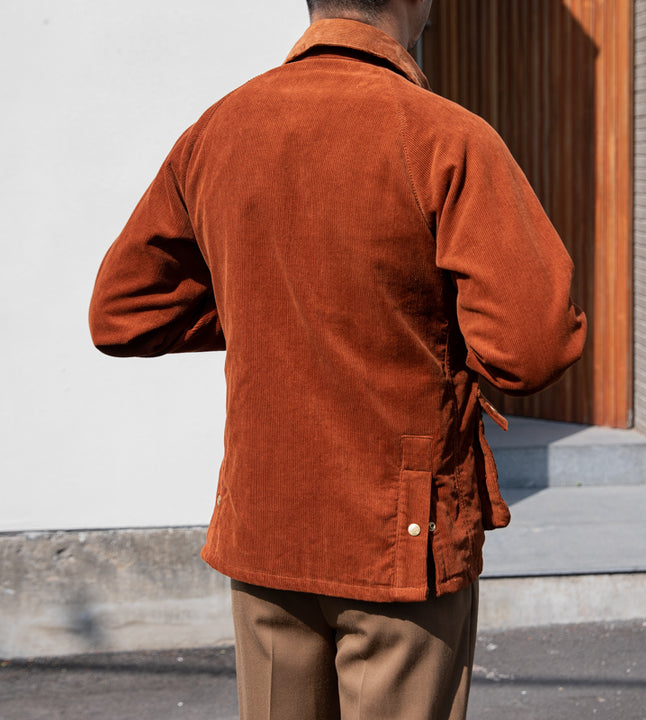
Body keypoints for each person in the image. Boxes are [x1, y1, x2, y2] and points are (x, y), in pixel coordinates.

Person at [89, 0, 586, 717]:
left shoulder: (218, 129)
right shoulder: (445, 136)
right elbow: (533, 347)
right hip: (399, 532)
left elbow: (124, 313)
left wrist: (270, 307)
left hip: (266, 524)